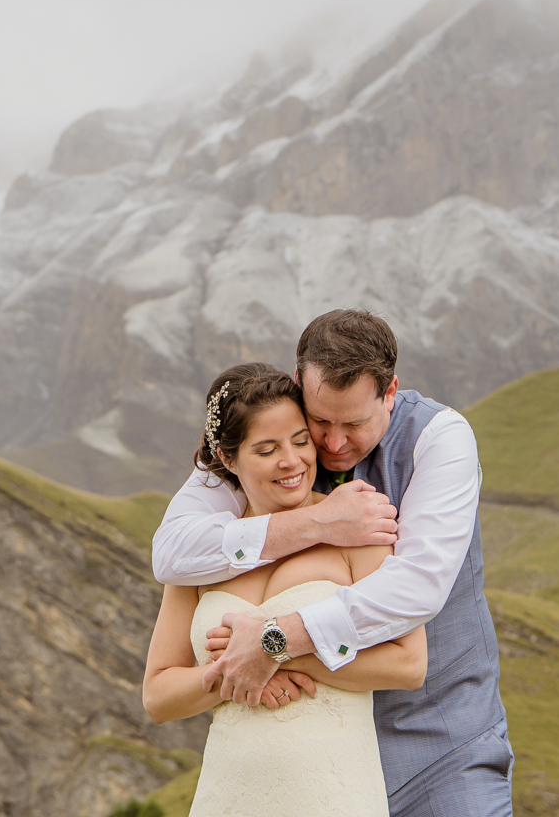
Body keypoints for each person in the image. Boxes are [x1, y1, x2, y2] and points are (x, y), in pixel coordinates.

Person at [152, 310, 513, 817]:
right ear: (301, 387)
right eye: (320, 423)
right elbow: (172, 553)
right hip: (303, 759)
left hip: (441, 739)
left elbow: (417, 589)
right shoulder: (267, 436)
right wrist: (317, 525)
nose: (333, 444)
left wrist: (275, 642)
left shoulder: (439, 440)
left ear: (390, 393)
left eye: (355, 423)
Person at [143, 362, 426, 816]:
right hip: (227, 795)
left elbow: (408, 664)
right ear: (229, 458)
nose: (292, 461)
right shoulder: (202, 556)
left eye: (299, 441)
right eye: (267, 449)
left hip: (333, 795)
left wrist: (276, 649)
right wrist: (236, 672)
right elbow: (157, 696)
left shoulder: (357, 525)